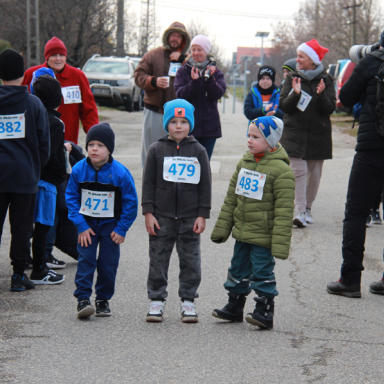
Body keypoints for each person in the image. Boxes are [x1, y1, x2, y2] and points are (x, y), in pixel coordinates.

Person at [211, 116, 295, 330]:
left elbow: (284, 211)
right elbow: (232, 198)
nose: (249, 140)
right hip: (242, 232)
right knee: (237, 268)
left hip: (263, 236)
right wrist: (223, 228)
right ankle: (235, 306)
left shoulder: (281, 171)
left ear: (271, 141)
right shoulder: (245, 162)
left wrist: (280, 244)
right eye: (249, 135)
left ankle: (264, 310)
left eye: (256, 137)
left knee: (262, 271)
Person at [142, 99, 211, 323]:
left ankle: (188, 301)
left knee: (191, 261)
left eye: (183, 122)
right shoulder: (156, 150)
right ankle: (156, 300)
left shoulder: (199, 151)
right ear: (166, 124)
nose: (178, 126)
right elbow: (148, 183)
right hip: (161, 217)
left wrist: (202, 213)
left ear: (190, 124)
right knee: (158, 259)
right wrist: (148, 212)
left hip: (190, 218)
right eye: (173, 121)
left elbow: (205, 185)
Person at [327, 33, 384, 297]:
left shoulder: (370, 61)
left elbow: (345, 99)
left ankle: (350, 280)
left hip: (372, 147)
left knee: (356, 212)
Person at [66, 123, 138, 319]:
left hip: (111, 226)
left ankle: (102, 299)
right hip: (87, 226)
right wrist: (80, 225)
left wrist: (122, 228)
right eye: (91, 145)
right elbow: (71, 198)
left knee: (108, 263)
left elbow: (131, 203)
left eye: (100, 145)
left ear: (109, 149)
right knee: (86, 260)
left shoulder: (120, 173)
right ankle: (83, 299)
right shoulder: (79, 169)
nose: (94, 149)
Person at [0, 49, 50, 291]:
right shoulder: (34, 104)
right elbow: (44, 144)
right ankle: (19, 275)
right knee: (22, 228)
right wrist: (34, 167)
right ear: (23, 74)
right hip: (25, 175)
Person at [280, 39, 335, 227]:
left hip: (318, 135)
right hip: (294, 134)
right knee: (298, 171)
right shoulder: (291, 79)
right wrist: (295, 94)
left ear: (312, 60)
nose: (297, 59)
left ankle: (308, 208)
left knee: (314, 175)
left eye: (301, 56)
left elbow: (329, 109)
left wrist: (321, 96)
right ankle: (300, 210)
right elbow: (284, 106)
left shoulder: (326, 80)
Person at [22, 37, 99, 144]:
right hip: (38, 140)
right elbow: (22, 103)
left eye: (61, 55)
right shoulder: (32, 74)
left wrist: (95, 135)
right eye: (53, 55)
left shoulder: (77, 76)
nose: (58, 59)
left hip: (68, 140)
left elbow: (88, 109)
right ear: (47, 57)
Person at [134, 22, 191, 167]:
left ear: (183, 40)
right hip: (154, 112)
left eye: (179, 36)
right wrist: (153, 81)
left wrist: (183, 59)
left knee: (176, 155)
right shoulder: (153, 55)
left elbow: (201, 74)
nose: (175, 39)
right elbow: (138, 75)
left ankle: (172, 187)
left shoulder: (190, 60)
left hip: (179, 116)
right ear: (167, 37)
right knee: (150, 152)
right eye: (172, 35)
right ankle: (149, 184)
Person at [29, 74, 67, 285]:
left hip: (31, 177)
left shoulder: (32, 115)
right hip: (47, 181)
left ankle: (28, 261)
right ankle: (39, 269)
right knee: (44, 224)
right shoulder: (55, 122)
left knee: (29, 225)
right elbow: (51, 153)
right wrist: (60, 170)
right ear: (58, 98)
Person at [174, 34, 226, 159]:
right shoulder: (183, 71)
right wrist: (194, 83)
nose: (196, 53)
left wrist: (209, 81)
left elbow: (218, 94)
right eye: (193, 49)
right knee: (188, 163)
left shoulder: (216, 72)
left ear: (206, 51)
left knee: (204, 164)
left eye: (199, 50)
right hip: (188, 126)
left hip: (209, 128)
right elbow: (180, 96)